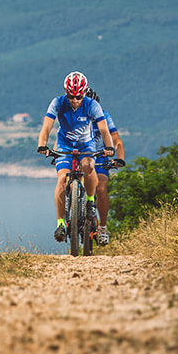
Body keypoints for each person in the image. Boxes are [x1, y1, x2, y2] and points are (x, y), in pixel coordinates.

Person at [37, 71, 115, 243]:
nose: (75, 100)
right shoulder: (57, 102)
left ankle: (89, 201)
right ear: (66, 92)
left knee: (88, 167)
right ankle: (61, 224)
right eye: (71, 96)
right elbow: (47, 126)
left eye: (78, 97)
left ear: (84, 93)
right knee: (62, 180)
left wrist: (109, 147)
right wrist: (42, 144)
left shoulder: (92, 105)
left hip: (86, 144)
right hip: (64, 143)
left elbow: (103, 129)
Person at [85, 88, 126, 246]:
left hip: (101, 158)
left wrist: (119, 158)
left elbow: (116, 140)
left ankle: (102, 227)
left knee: (101, 188)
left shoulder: (104, 117)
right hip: (82, 157)